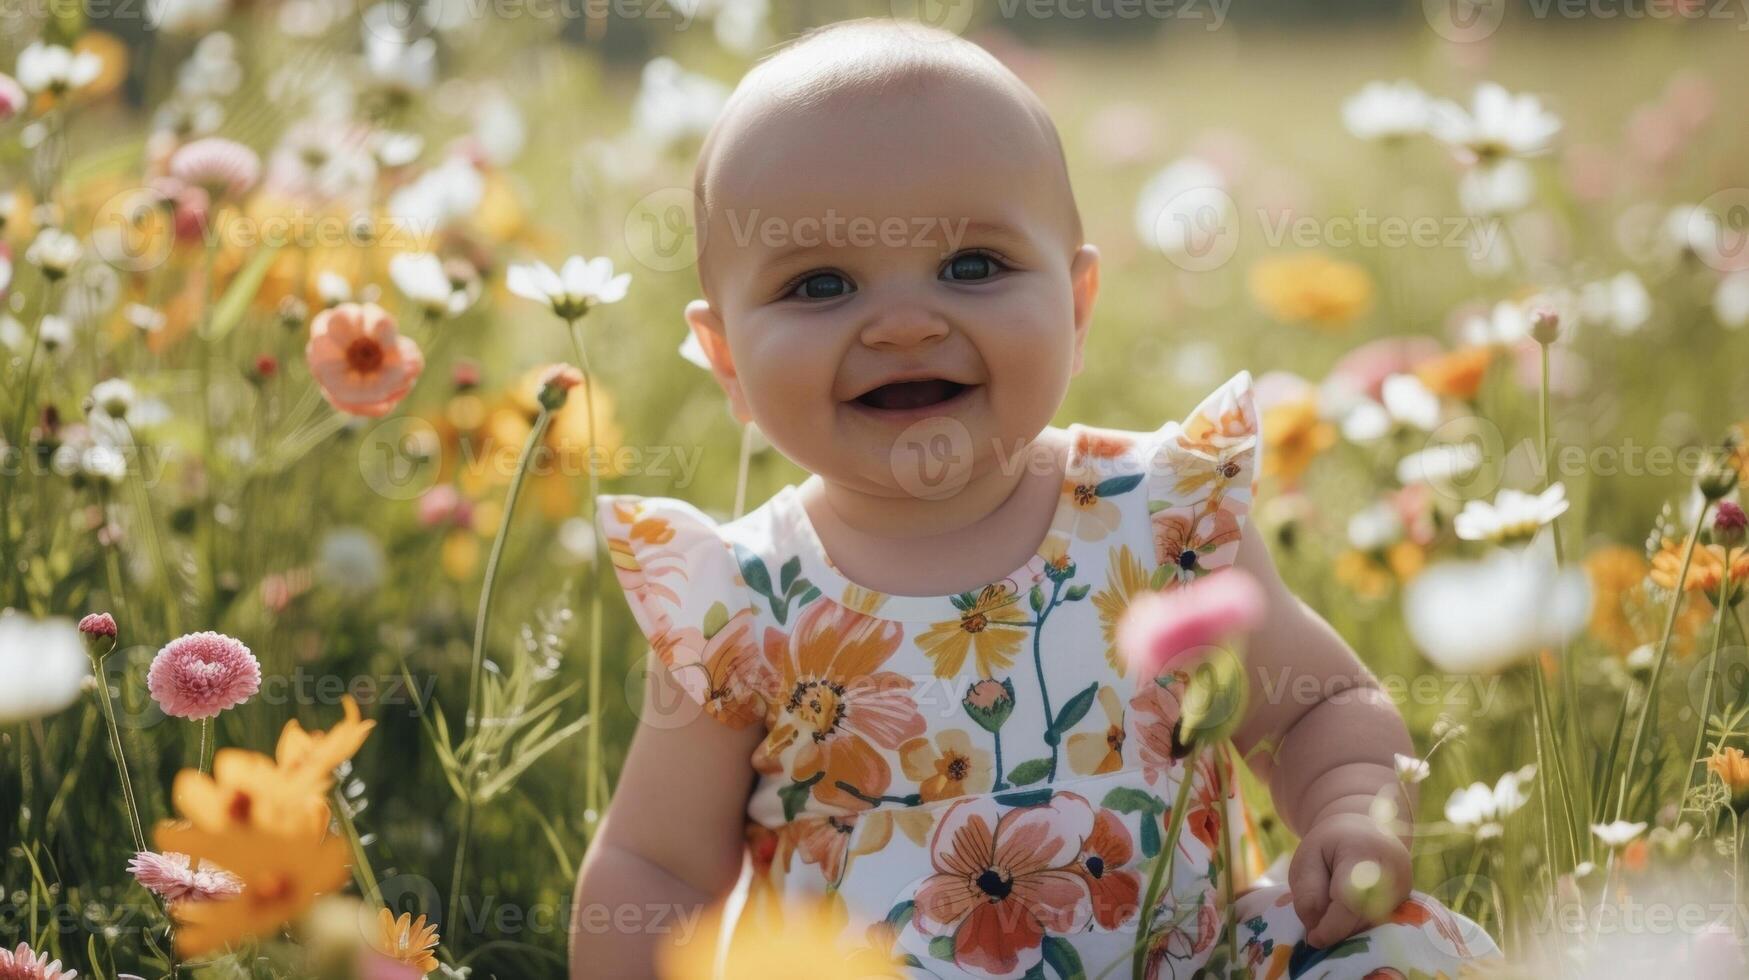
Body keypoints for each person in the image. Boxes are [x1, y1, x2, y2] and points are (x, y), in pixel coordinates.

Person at [572, 18, 1498, 979]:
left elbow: (1315, 707)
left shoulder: (1158, 517)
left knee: (1392, 956)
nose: (902, 325)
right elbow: (658, 865)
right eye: (819, 283)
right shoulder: (739, 601)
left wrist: (1350, 812)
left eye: (971, 266)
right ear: (726, 359)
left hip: (1188, 963)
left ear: (1077, 303)